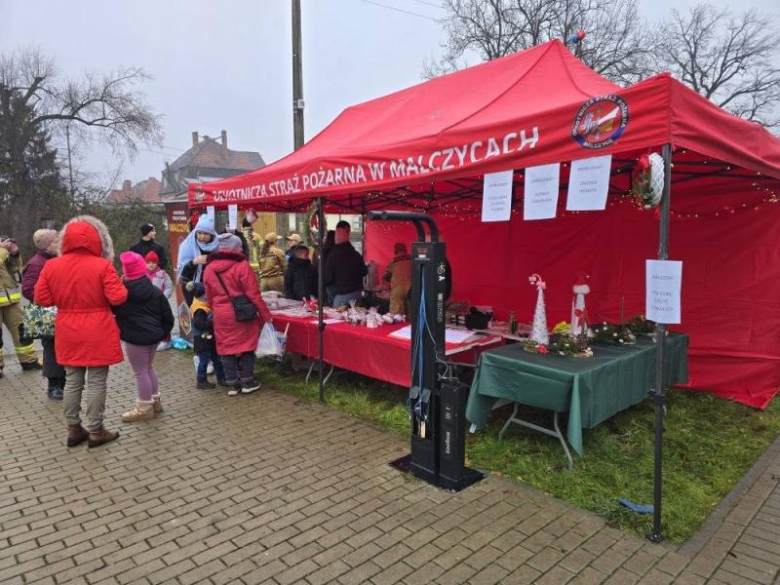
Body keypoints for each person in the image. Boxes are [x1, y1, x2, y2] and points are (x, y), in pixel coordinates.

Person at [34, 216, 128, 449]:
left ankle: (74, 429)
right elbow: (119, 297)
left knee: (72, 381)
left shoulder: (51, 265)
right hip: (98, 328)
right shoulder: (102, 265)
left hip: (68, 329)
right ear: (96, 241)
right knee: (97, 382)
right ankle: (96, 430)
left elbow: (41, 298)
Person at [204, 233, 272, 395]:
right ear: (235, 248)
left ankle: (232, 384)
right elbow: (254, 294)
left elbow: (209, 295)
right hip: (242, 313)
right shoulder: (242, 266)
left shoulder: (209, 268)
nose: (242, 248)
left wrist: (216, 310)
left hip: (221, 314)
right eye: (239, 246)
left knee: (226, 347)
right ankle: (247, 381)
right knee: (247, 345)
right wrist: (266, 315)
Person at [113, 252, 174, 422]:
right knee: (148, 368)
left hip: (135, 339)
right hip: (154, 337)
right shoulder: (154, 290)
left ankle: (144, 407)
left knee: (140, 372)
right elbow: (168, 316)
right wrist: (161, 333)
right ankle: (155, 401)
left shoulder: (122, 294)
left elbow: (113, 310)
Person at [22, 229, 65, 398]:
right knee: (51, 349)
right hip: (44, 312)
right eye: (56, 241)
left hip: (57, 309)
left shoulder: (56, 259)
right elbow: (27, 290)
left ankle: (62, 383)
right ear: (47, 245)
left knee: (60, 347)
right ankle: (53, 386)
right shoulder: (36, 263)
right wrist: (49, 298)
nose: (59, 243)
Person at [0, 236, 41, 377]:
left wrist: (14, 254)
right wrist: (3, 249)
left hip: (11, 300)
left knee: (22, 330)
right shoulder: (1, 250)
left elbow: (14, 267)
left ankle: (29, 361)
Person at [189, 283, 226, 390]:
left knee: (217, 359)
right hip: (202, 339)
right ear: (203, 295)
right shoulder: (199, 309)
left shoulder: (203, 305)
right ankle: (201, 381)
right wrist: (213, 322)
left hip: (209, 338)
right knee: (204, 360)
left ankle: (221, 378)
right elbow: (199, 324)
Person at [177, 215, 219, 305]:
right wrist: (193, 262)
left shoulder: (219, 244)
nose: (202, 236)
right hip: (192, 288)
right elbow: (182, 274)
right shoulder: (187, 245)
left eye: (206, 234)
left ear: (211, 234)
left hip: (214, 286)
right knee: (197, 316)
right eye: (199, 233)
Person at [325, 221, 367, 307]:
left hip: (341, 295)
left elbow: (328, 278)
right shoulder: (356, 254)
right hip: (357, 293)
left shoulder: (332, 257)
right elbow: (364, 271)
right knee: (355, 318)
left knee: (338, 318)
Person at [145, 251, 173, 351]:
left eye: (153, 262)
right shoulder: (142, 275)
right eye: (148, 262)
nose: (151, 265)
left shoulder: (162, 274)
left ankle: (166, 341)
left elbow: (169, 287)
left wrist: (163, 297)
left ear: (157, 263)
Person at [383, 243, 412, 316]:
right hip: (412, 289)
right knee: (412, 316)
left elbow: (386, 277)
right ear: (405, 250)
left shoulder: (394, 261)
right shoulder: (412, 259)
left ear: (395, 251)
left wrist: (389, 289)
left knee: (396, 316)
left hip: (398, 289)